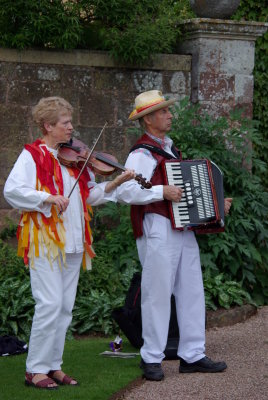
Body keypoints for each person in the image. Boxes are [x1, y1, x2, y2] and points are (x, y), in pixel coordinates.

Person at [3, 96, 135, 390]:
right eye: (65, 123)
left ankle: (53, 365)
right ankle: (34, 368)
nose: (71, 128)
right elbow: (12, 191)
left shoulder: (73, 159)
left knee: (64, 307)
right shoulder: (31, 156)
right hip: (45, 243)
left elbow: (88, 197)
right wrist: (47, 198)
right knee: (49, 303)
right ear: (48, 125)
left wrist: (114, 183)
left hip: (74, 241)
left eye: (70, 123)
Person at [116, 90, 232, 381]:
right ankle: (151, 357)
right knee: (156, 294)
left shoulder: (168, 148)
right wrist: (160, 191)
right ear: (149, 119)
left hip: (180, 228)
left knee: (192, 291)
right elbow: (124, 191)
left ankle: (192, 354)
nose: (170, 115)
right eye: (164, 112)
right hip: (156, 226)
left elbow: (187, 193)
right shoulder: (142, 153)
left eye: (168, 111)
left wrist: (216, 204)